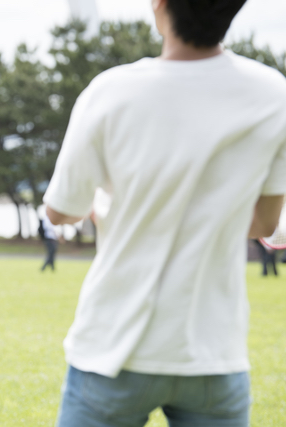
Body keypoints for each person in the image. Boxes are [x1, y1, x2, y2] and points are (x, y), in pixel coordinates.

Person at [43, 0, 286, 425]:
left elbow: (62, 211)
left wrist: (107, 209)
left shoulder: (110, 90)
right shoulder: (273, 94)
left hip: (113, 349)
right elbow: (265, 223)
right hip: (214, 354)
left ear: (160, 6)